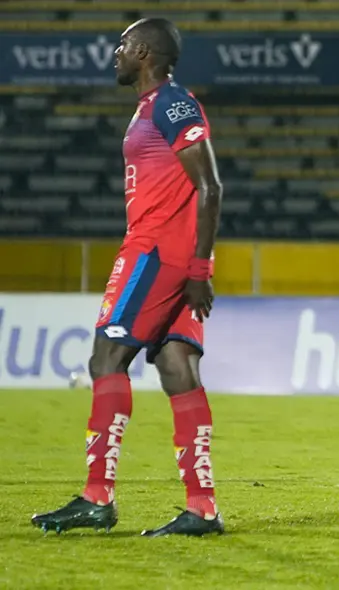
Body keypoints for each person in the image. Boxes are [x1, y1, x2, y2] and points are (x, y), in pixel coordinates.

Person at [31, 18, 224, 538]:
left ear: (143, 52)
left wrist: (199, 268)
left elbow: (210, 186)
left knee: (106, 357)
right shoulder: (150, 108)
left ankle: (98, 497)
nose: (114, 54)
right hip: (173, 255)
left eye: (121, 46)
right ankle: (202, 507)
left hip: (157, 252)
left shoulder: (171, 103)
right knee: (177, 367)